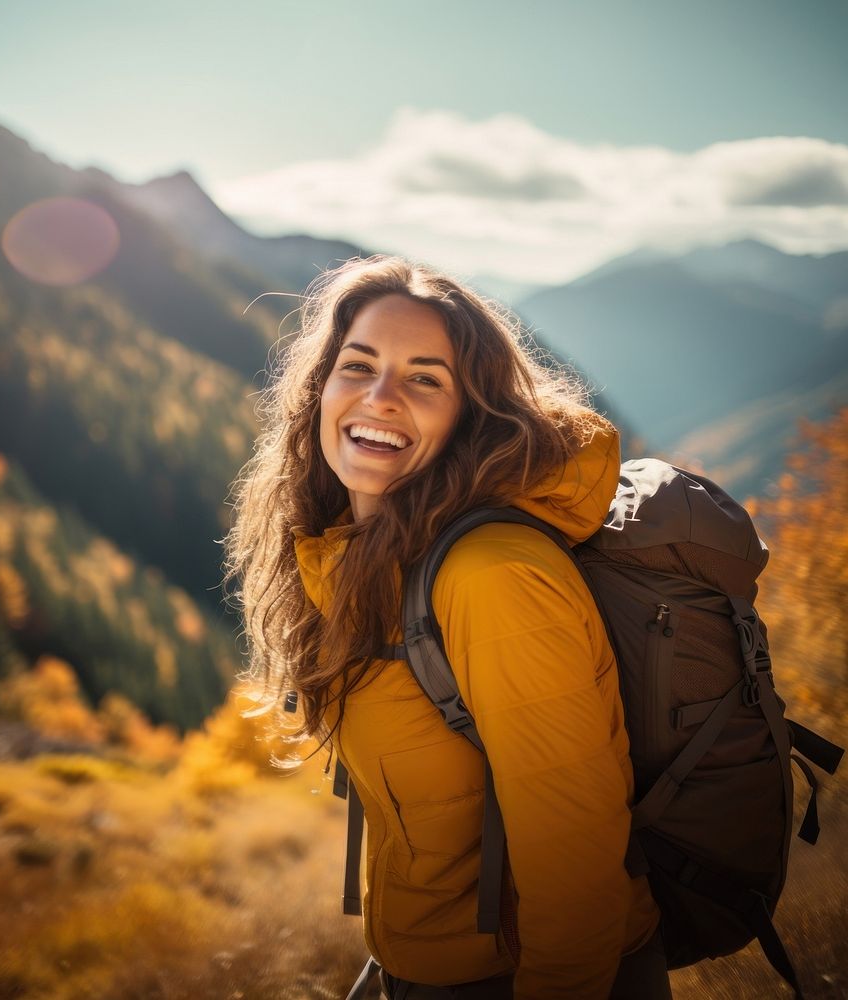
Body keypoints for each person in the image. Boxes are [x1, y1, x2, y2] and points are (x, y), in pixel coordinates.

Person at [225, 256, 671, 999]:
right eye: (357, 365)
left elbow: (577, 865)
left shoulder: (489, 576)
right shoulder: (371, 560)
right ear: (319, 389)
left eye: (425, 379)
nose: (380, 397)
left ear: (470, 416)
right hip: (430, 966)